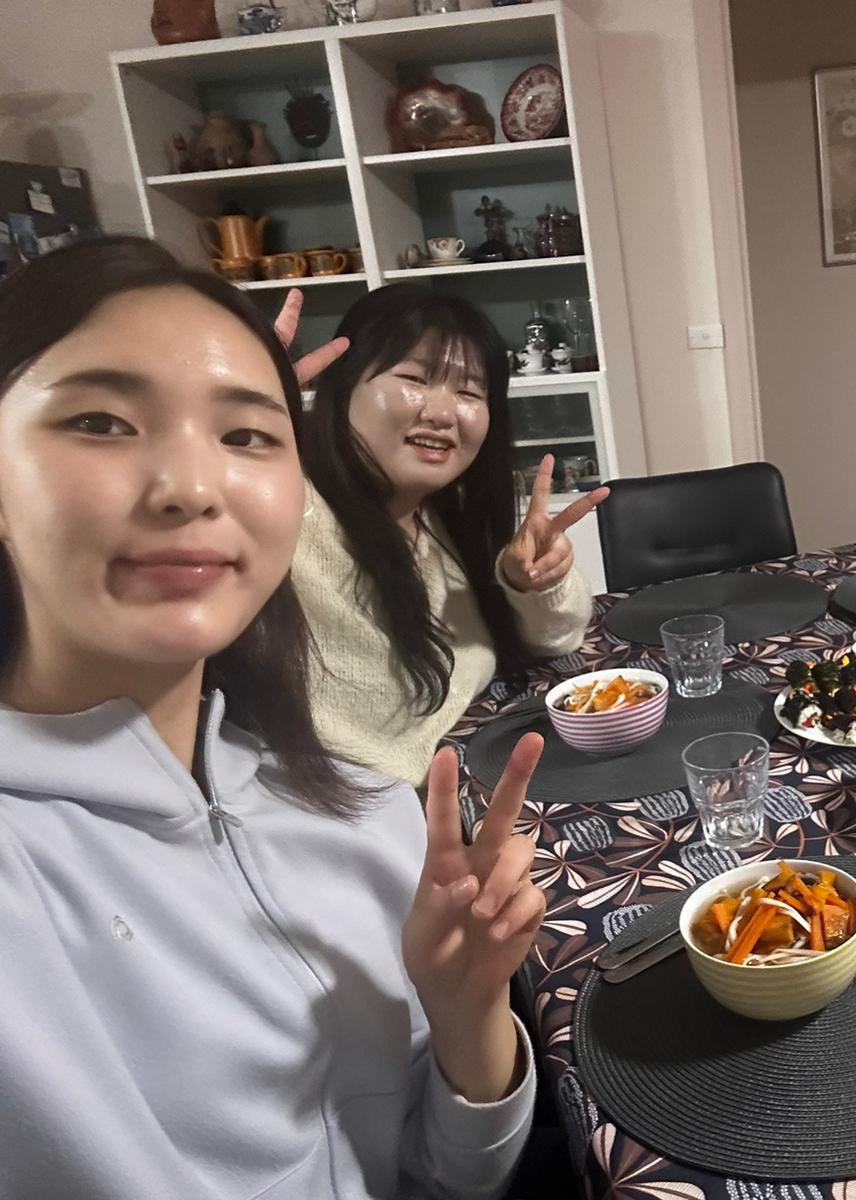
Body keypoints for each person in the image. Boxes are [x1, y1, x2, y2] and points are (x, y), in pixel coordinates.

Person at [0, 237, 550, 1195]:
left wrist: (470, 1019)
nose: (190, 486)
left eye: (246, 435)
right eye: (101, 420)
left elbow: (447, 1176)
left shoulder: (360, 815)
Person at [290, 285, 605, 786]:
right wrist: (234, 422)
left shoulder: (443, 516)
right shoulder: (284, 510)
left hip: (470, 776)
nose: (442, 412)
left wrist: (529, 583)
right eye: (415, 378)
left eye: (469, 392)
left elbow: (556, 639)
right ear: (342, 384)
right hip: (361, 820)